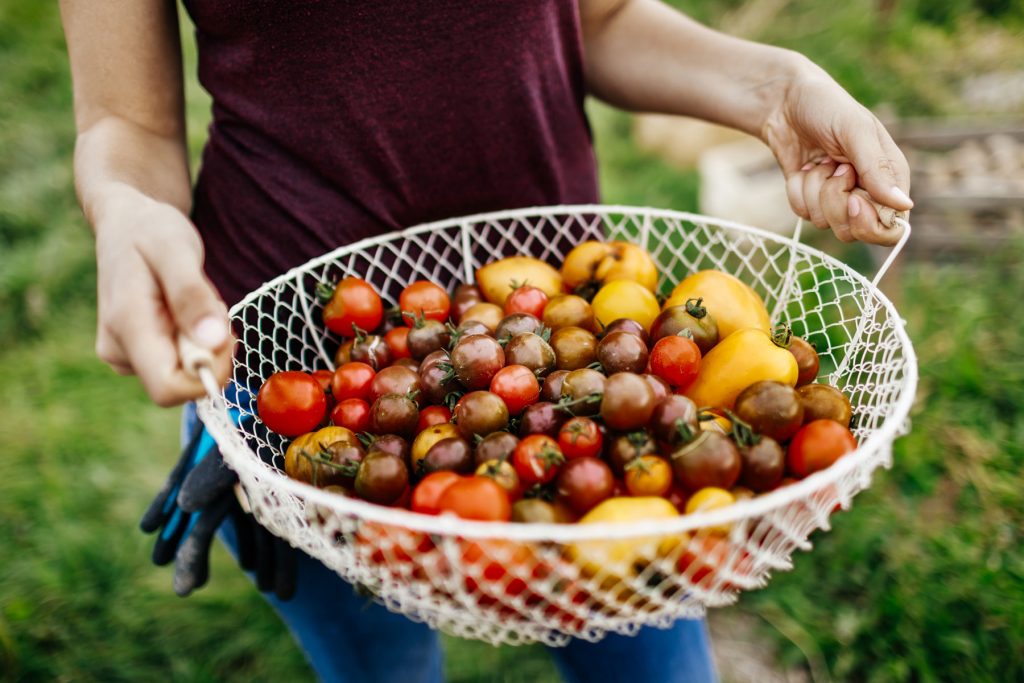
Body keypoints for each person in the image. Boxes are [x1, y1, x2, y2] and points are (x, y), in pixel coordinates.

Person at [60, 1, 912, 681]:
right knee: (378, 668)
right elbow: (125, 126)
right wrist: (126, 210)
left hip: (564, 318)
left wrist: (775, 87)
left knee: (652, 660)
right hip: (302, 368)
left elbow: (598, 18)